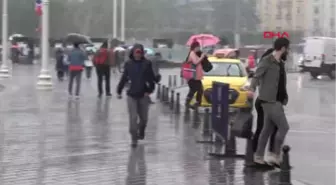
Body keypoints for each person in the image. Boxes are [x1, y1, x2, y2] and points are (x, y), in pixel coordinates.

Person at [249, 38, 290, 166]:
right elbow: (257, 75)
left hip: (276, 100)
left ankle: (259, 156)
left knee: (267, 130)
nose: (288, 51)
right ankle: (275, 155)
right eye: (287, 48)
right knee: (284, 127)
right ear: (283, 48)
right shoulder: (267, 60)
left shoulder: (280, 63)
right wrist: (251, 89)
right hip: (269, 101)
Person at [117, 43, 156, 147]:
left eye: (139, 52)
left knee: (144, 119)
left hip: (143, 94)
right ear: (133, 53)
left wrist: (150, 89)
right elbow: (124, 77)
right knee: (133, 118)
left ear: (142, 53)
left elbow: (151, 78)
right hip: (131, 95)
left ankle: (141, 130)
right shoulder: (128, 64)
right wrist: (119, 90)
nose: (137, 54)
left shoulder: (147, 63)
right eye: (136, 52)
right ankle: (134, 138)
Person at [252, 48, 278, 156]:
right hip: (264, 101)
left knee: (271, 127)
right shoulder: (266, 65)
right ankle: (257, 152)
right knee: (264, 127)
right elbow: (256, 78)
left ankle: (264, 152)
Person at [185, 41, 206, 109]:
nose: (199, 48)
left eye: (199, 47)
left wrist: (202, 56)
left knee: (194, 90)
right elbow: (195, 62)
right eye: (198, 47)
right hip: (193, 76)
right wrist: (202, 57)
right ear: (195, 47)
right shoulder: (192, 53)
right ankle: (195, 103)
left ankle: (190, 103)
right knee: (198, 90)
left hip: (196, 76)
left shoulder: (195, 54)